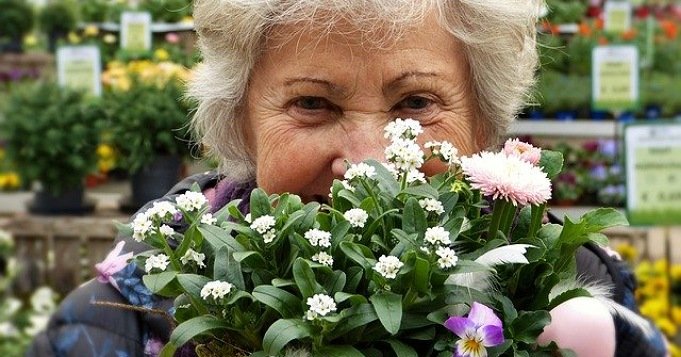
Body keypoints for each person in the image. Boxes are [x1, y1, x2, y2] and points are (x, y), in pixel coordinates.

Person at [28, 0, 668, 356]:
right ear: (242, 126)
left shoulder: (576, 300)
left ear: (484, 125)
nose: (367, 163)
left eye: (416, 104)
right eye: (313, 104)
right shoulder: (111, 325)